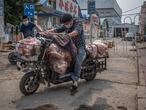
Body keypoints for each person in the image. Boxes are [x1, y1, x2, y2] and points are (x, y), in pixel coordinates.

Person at [40, 13, 86, 95]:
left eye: (66, 24)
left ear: (71, 21)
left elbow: (76, 32)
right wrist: (47, 32)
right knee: (59, 55)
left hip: (80, 46)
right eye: (64, 24)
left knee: (78, 61)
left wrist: (66, 35)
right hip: (69, 45)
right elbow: (57, 29)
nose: (65, 25)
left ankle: (75, 80)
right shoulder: (66, 25)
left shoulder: (78, 23)